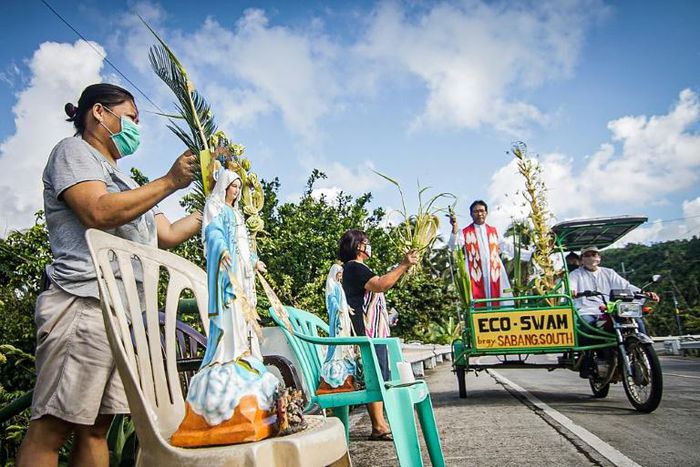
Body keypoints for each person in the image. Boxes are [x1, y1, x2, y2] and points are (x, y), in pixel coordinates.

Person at [17, 83, 201, 467]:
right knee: (52, 429)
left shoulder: (127, 182)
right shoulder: (74, 153)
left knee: (97, 428)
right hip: (83, 302)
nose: (137, 128)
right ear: (99, 113)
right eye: (132, 118)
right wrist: (169, 182)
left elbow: (167, 235)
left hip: (121, 315)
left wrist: (214, 209)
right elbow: (97, 211)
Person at [171, 167, 279, 445]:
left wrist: (254, 261)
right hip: (225, 274)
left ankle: (241, 352)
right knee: (230, 312)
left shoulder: (238, 214)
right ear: (223, 185)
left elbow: (245, 244)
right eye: (233, 185)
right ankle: (227, 353)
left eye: (239, 187)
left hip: (242, 274)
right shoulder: (215, 205)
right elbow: (213, 233)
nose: (236, 191)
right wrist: (223, 250)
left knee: (243, 318)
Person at [338, 229, 418, 441]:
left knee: (379, 375)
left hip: (373, 332)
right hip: (366, 334)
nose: (369, 246)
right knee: (375, 376)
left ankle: (379, 425)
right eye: (366, 242)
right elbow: (381, 285)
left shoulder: (357, 268)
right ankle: (379, 425)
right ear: (358, 247)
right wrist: (403, 265)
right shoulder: (354, 267)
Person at [569, 245, 659, 330]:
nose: (591, 258)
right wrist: (572, 291)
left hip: (611, 309)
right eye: (587, 255)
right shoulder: (575, 274)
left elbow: (626, 286)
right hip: (587, 310)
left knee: (636, 320)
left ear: (599, 258)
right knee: (588, 326)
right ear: (582, 260)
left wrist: (644, 293)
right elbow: (571, 286)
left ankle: (645, 343)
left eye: (594, 255)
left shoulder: (609, 272)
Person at [449, 200, 514, 307]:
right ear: (471, 214)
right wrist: (454, 228)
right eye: (476, 211)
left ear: (486, 213)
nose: (479, 214)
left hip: (495, 272)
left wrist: (529, 253)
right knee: (476, 303)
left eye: (482, 211)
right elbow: (453, 246)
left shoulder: (494, 231)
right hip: (474, 273)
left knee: (501, 300)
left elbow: (508, 247)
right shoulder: (464, 232)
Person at [318, 263, 356, 391]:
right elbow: (332, 299)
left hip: (343, 314)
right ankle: (336, 359)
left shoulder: (339, 284)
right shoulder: (331, 283)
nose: (340, 276)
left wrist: (347, 308)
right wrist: (337, 308)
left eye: (341, 274)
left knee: (345, 333)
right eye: (339, 273)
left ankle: (344, 359)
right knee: (338, 334)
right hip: (338, 315)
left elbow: (343, 299)